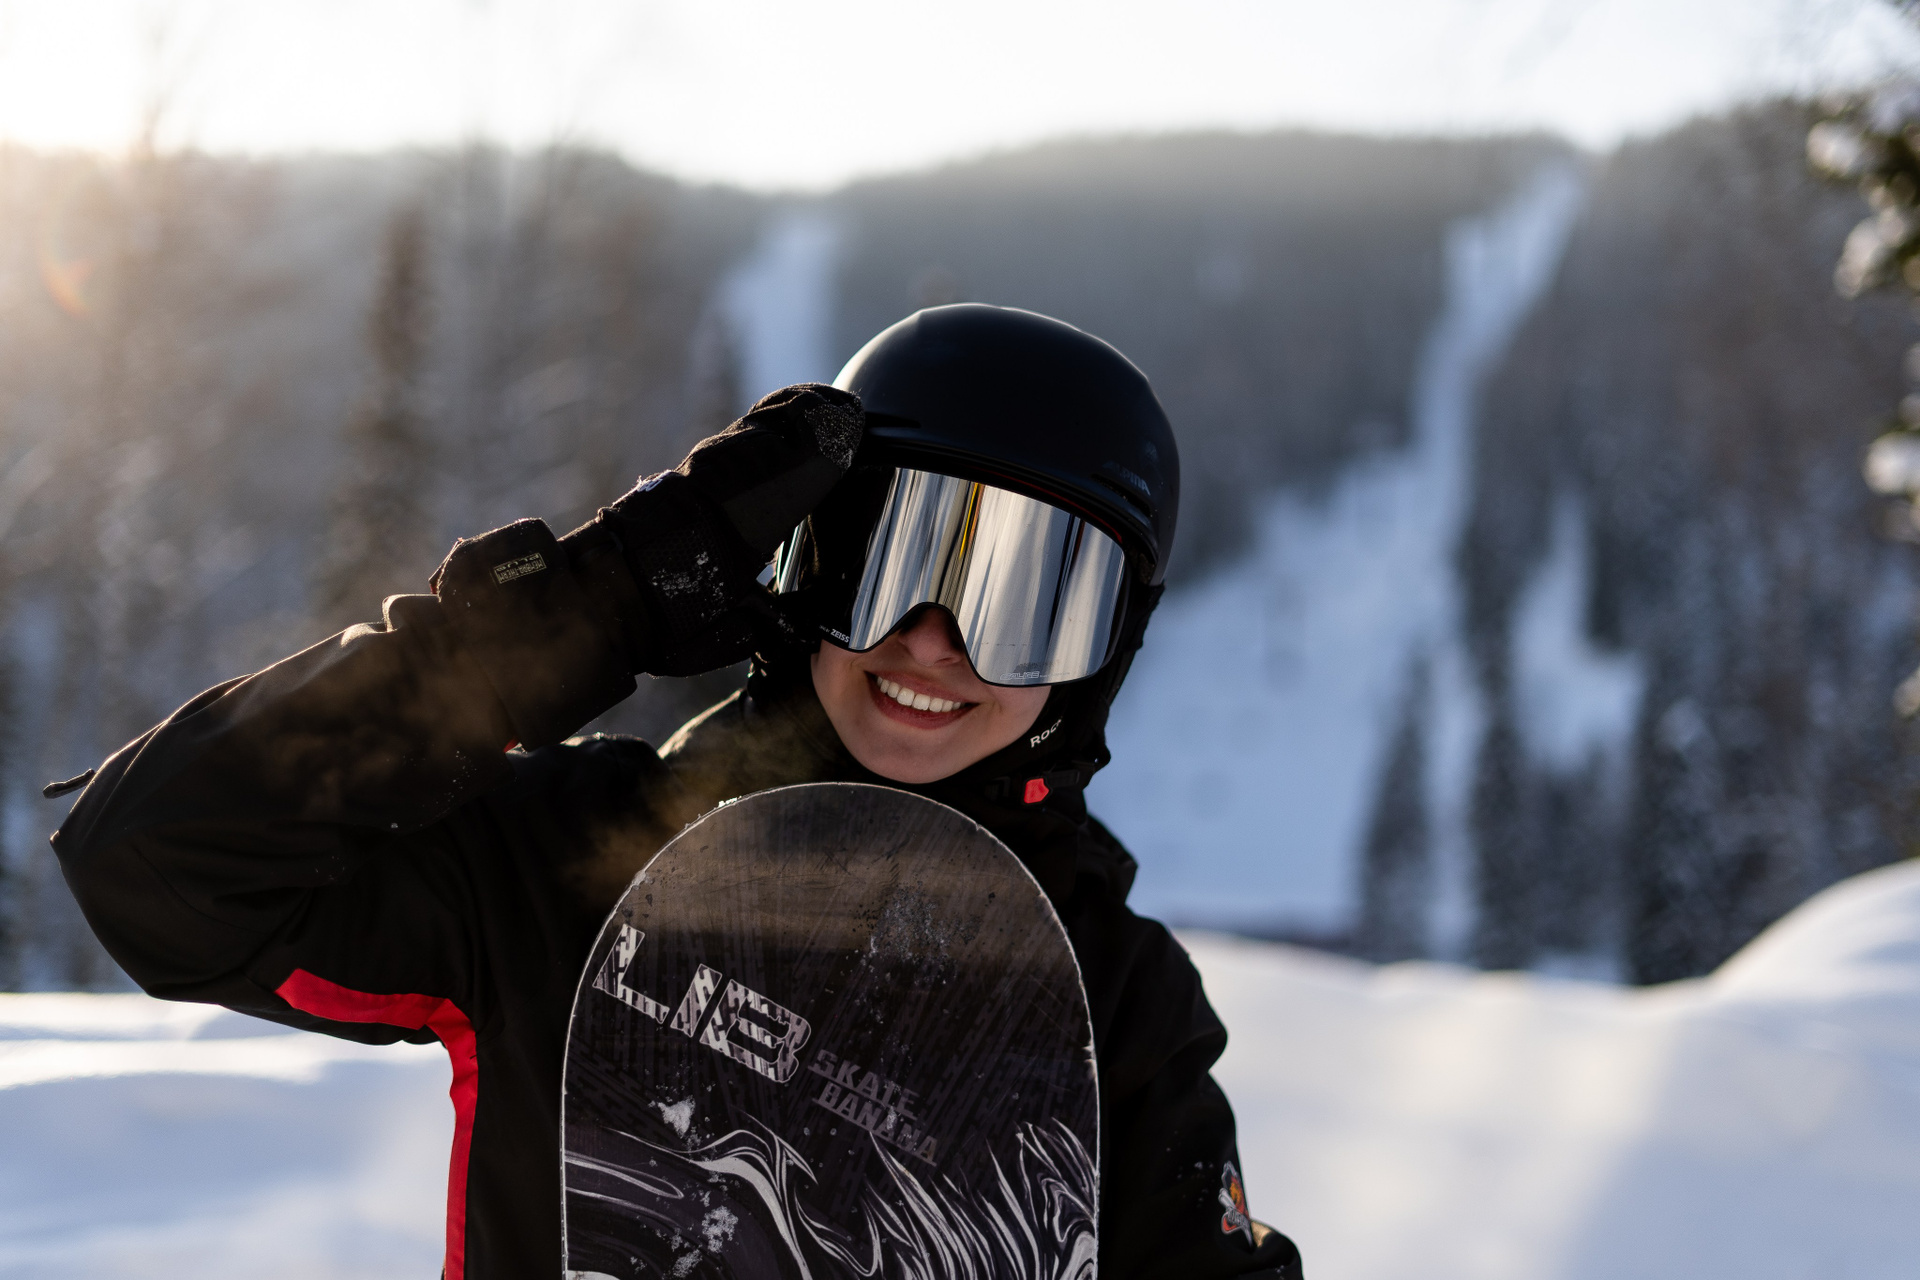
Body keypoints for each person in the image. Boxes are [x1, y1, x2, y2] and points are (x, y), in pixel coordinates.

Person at [51, 304, 1303, 1280]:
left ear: (1103, 653)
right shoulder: (583, 859)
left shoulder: (1109, 999)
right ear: (805, 561)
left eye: (1026, 602)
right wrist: (546, 636)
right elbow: (157, 860)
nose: (933, 642)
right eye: (890, 563)